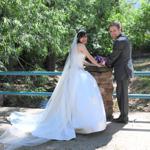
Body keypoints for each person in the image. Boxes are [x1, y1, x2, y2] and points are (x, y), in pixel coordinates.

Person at [0, 30, 106, 150]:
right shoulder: (81, 46)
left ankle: (74, 121)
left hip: (74, 74)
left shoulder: (75, 47)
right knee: (80, 97)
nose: (84, 39)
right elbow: (90, 58)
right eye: (82, 37)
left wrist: (92, 64)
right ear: (79, 38)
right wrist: (99, 64)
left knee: (72, 98)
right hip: (78, 75)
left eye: (86, 37)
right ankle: (79, 123)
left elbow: (82, 60)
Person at [105, 22, 134, 124]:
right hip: (124, 70)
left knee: (122, 94)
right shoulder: (124, 38)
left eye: (114, 30)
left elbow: (114, 56)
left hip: (122, 71)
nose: (112, 33)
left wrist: (105, 63)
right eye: (110, 31)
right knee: (122, 94)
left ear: (119, 29)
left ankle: (124, 117)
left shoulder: (120, 41)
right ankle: (123, 116)